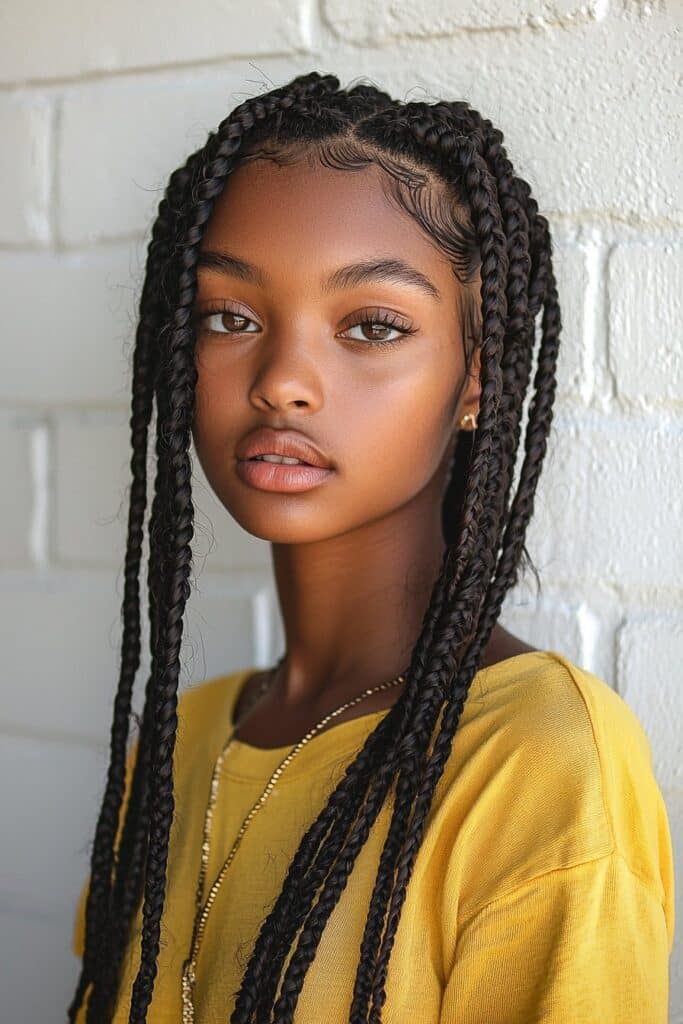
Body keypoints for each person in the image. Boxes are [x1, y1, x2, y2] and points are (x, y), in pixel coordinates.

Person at [68, 71, 675, 1023]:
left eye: (372, 327)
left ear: (476, 377)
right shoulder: (177, 748)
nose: (283, 382)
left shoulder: (534, 762)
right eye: (231, 317)